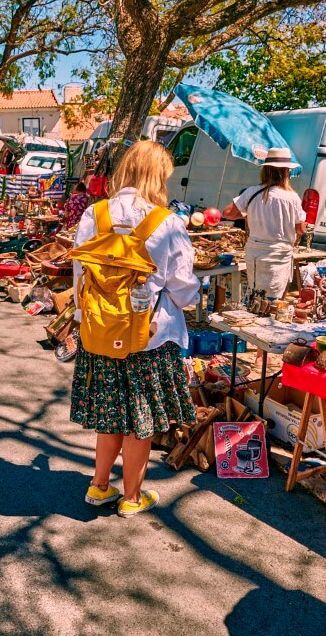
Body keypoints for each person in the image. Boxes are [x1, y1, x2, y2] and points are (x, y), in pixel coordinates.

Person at [71, 140, 200, 518]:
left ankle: (98, 486)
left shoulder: (95, 215)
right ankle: (131, 497)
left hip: (99, 332)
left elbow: (81, 276)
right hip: (149, 335)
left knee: (112, 413)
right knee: (139, 422)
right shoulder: (168, 222)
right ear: (158, 176)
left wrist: (90, 317)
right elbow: (182, 288)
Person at [222, 148, 307, 300]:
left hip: (256, 252)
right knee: (275, 298)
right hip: (281, 253)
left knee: (257, 296)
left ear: (266, 170)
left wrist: (249, 214)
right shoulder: (292, 197)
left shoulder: (252, 192)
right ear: (286, 171)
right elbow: (300, 230)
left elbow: (227, 213)